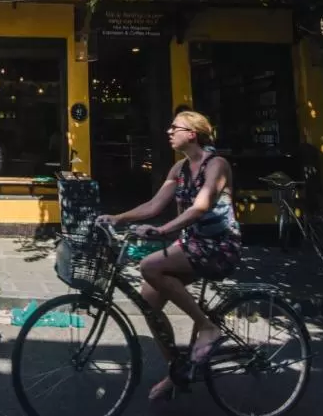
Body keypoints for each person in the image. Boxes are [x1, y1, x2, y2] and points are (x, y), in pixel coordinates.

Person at [97, 110, 241, 405]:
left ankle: (207, 326)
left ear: (192, 134)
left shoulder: (217, 165)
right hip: (191, 244)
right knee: (148, 300)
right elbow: (153, 205)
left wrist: (163, 230)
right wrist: (118, 217)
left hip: (219, 246)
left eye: (175, 127)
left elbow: (200, 207)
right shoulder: (179, 169)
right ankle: (177, 371)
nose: (168, 131)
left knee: (149, 265)